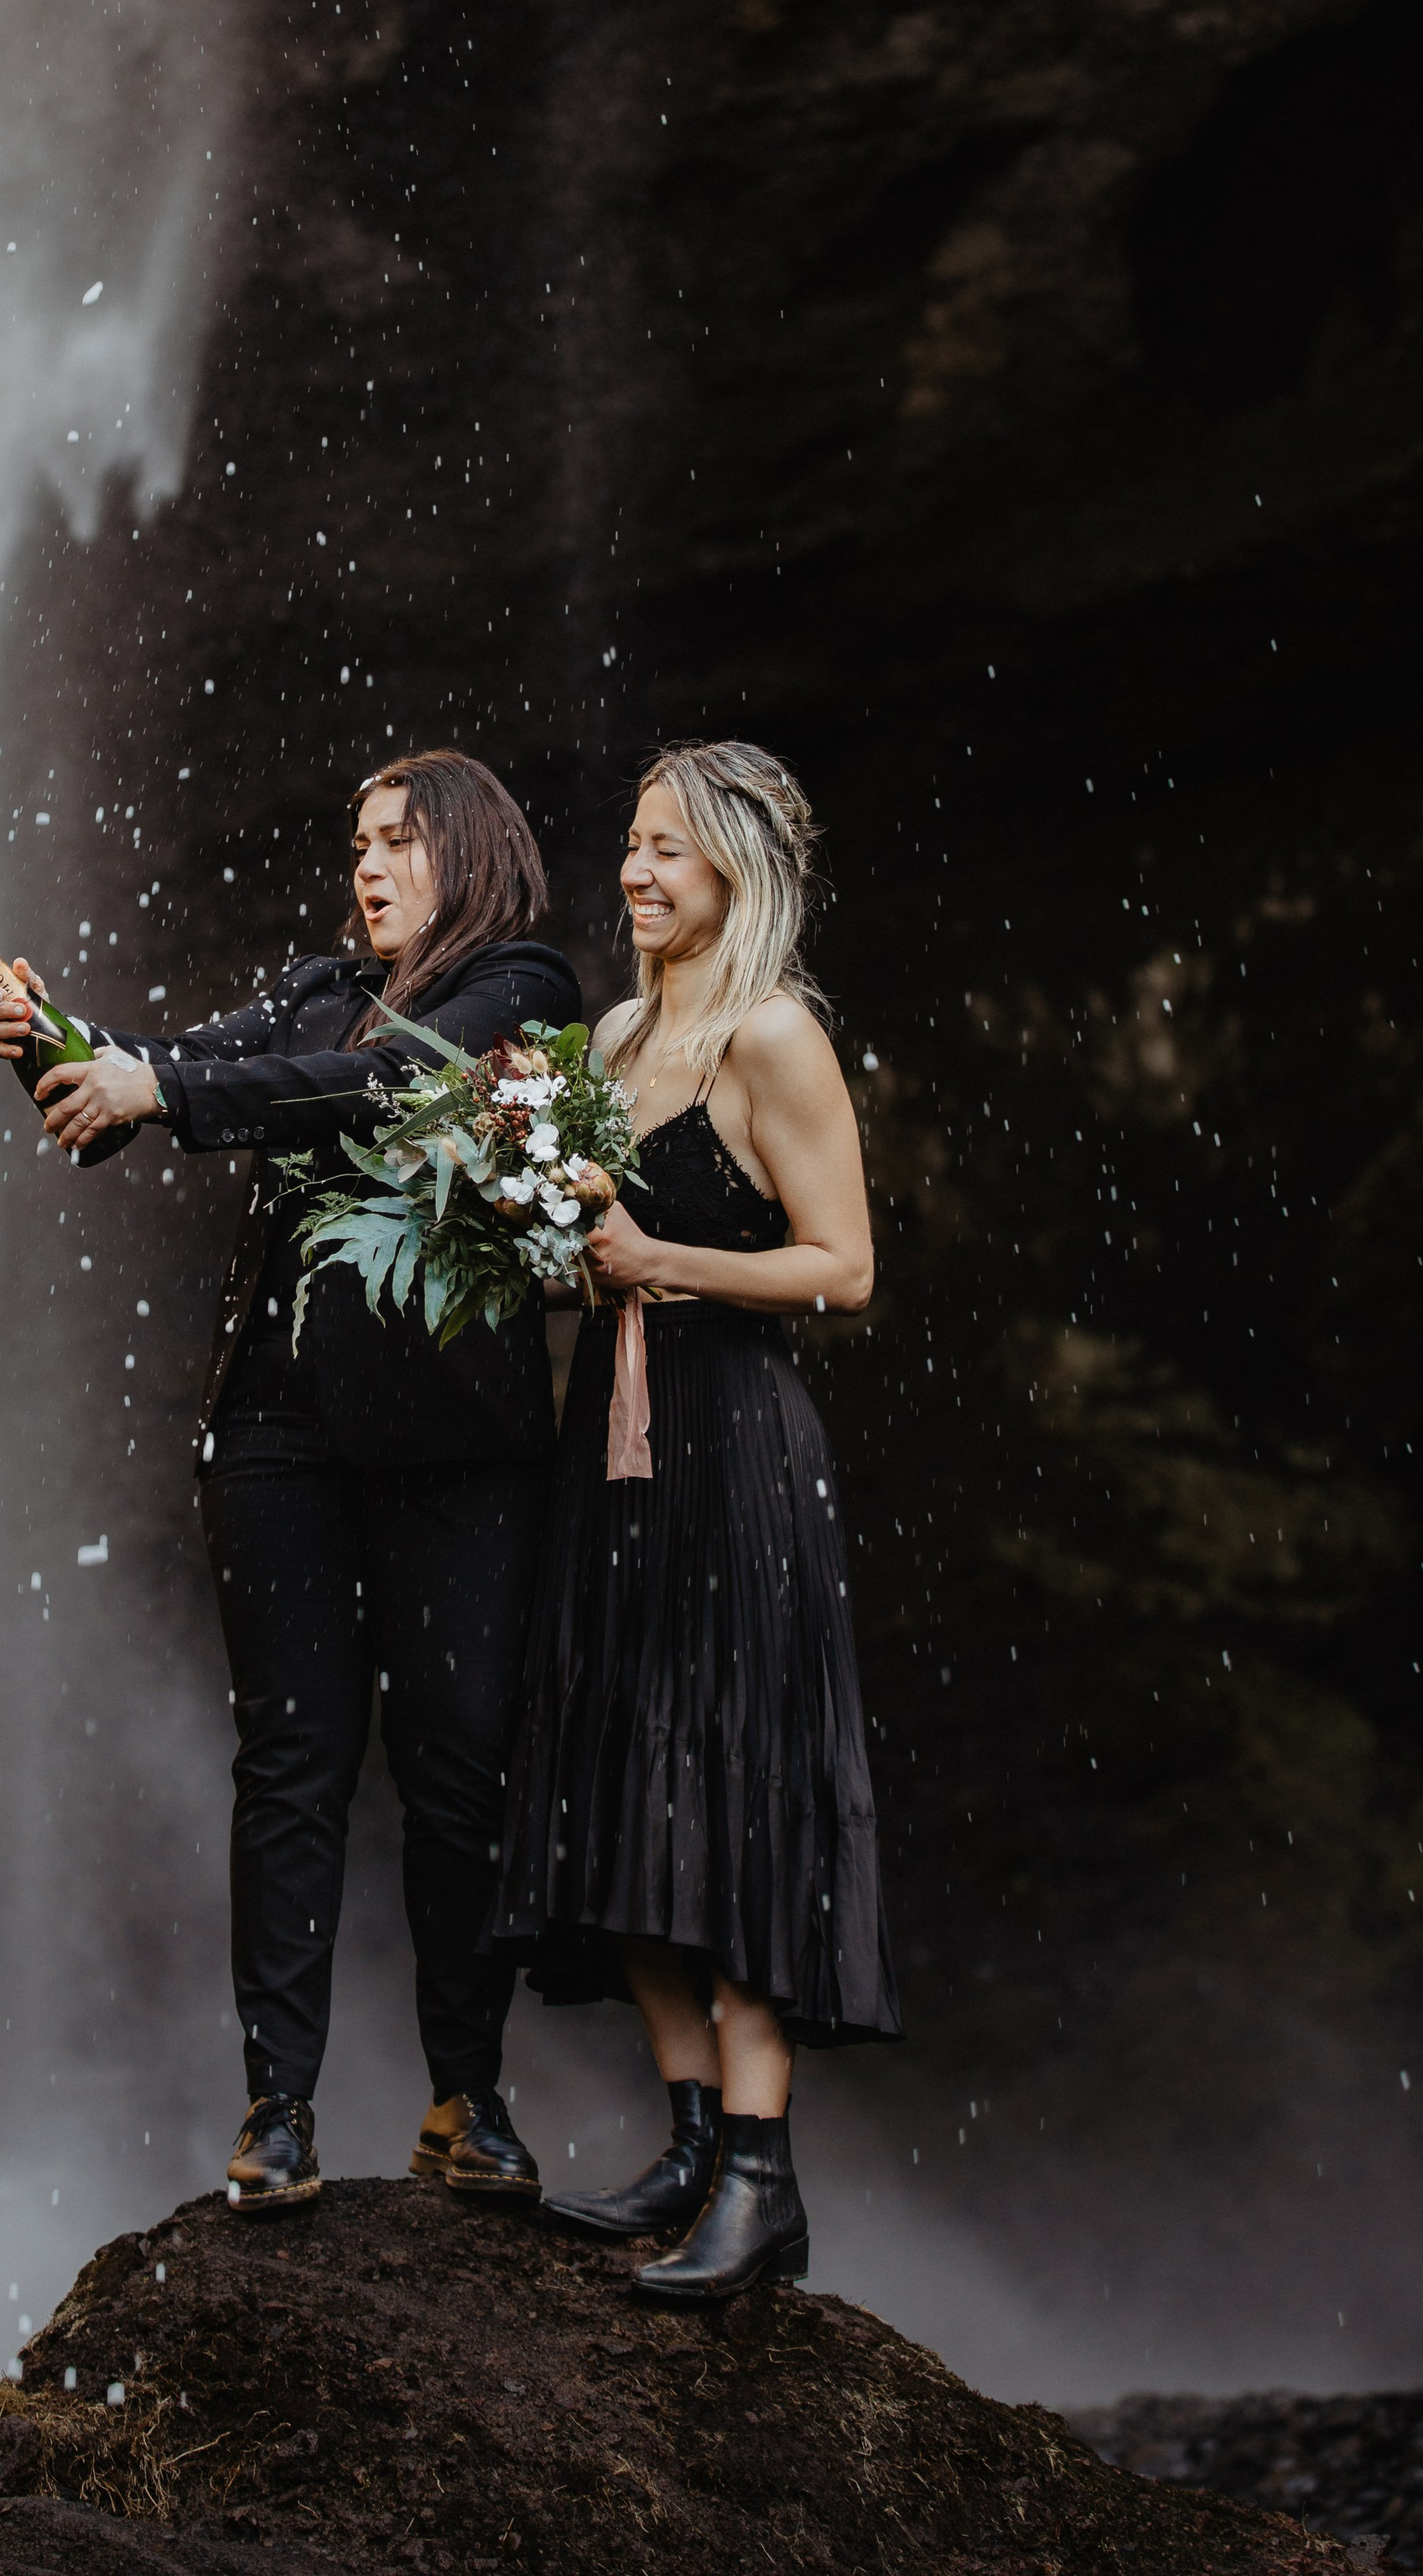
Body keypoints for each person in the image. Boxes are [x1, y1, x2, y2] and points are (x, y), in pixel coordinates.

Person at [0, 750, 580, 2216]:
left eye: (398, 842)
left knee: (456, 1770)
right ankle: (279, 2108)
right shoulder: (313, 990)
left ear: (470, 851)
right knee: (292, 1763)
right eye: (355, 842)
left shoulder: (523, 989)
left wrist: (161, 1084)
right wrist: (38, 1031)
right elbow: (147, 1065)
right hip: (281, 1434)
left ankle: (466, 2097)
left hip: (458, 1444)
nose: (367, 866)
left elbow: (384, 1089)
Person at [491, 739, 901, 2301]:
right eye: (631, 846)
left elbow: (844, 1266)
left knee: (733, 1782)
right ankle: (680, 2140)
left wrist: (666, 1261)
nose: (636, 872)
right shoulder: (613, 1029)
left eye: (669, 850)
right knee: (616, 1764)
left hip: (735, 1446)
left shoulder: (771, 1034)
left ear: (737, 867)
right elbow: (589, 1246)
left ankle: (759, 2182)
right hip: (614, 1441)